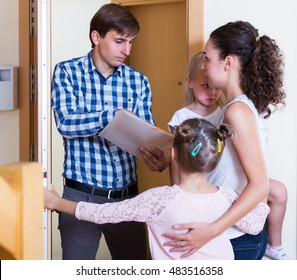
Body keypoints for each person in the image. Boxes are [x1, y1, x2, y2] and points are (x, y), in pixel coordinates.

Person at [45, 118, 270, 260]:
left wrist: (57, 202)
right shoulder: (228, 198)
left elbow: (104, 213)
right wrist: (262, 187)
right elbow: (255, 222)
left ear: (173, 155)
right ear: (214, 161)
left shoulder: (159, 200)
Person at [51, 3, 167, 260]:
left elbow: (144, 134)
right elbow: (66, 123)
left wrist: (157, 156)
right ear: (96, 37)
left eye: (131, 42)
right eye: (119, 41)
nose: (127, 50)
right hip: (80, 197)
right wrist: (111, 117)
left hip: (127, 200)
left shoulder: (138, 81)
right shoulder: (67, 72)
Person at [162, 21, 286, 260]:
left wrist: (212, 229)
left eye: (208, 58)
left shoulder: (236, 112)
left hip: (235, 237)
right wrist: (169, 158)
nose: (205, 67)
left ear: (227, 63)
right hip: (231, 235)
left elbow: (259, 185)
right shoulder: (232, 109)